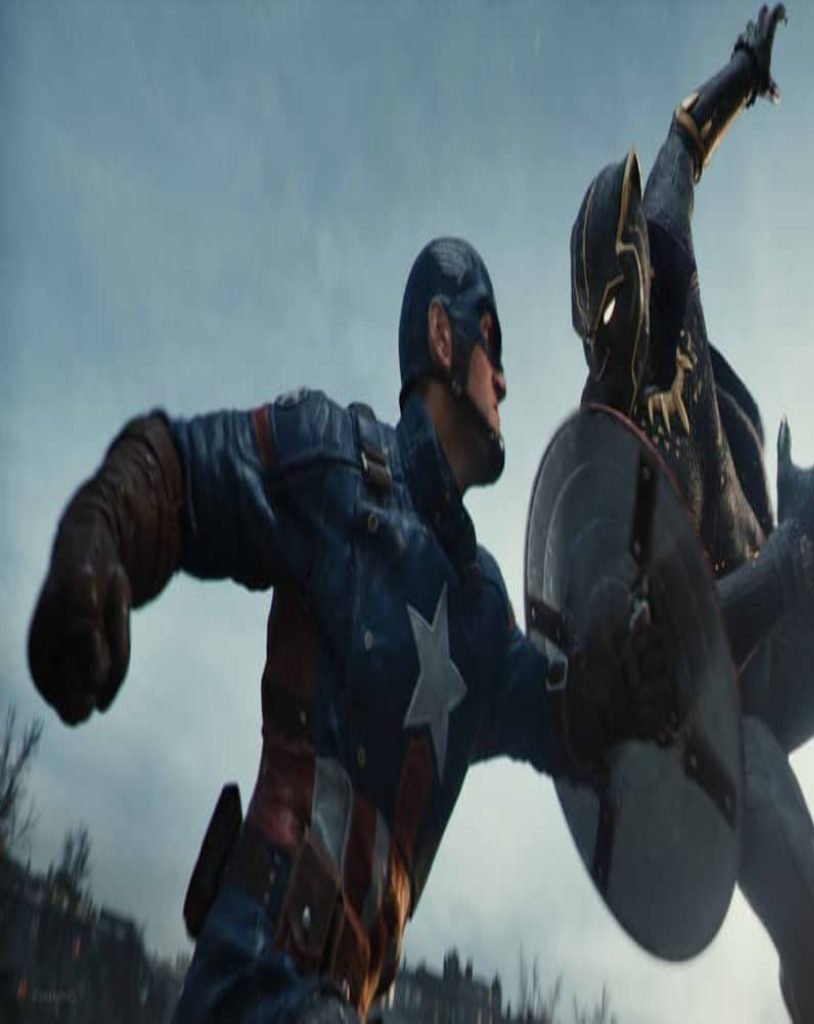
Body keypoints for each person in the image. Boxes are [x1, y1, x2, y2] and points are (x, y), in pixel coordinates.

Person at [27, 238, 673, 1023]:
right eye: (490, 341)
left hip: (346, 1001)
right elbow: (180, 470)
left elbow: (562, 717)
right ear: (443, 338)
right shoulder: (336, 464)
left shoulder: (480, 610)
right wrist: (96, 536)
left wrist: (634, 672)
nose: (503, 378)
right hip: (256, 976)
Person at [568, 5, 814, 1020]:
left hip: (794, 603)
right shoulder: (600, 482)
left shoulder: (662, 251)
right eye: (623, 334)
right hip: (729, 716)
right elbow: (654, 670)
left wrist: (743, 70)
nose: (652, 344)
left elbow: (682, 146)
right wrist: (778, 568)